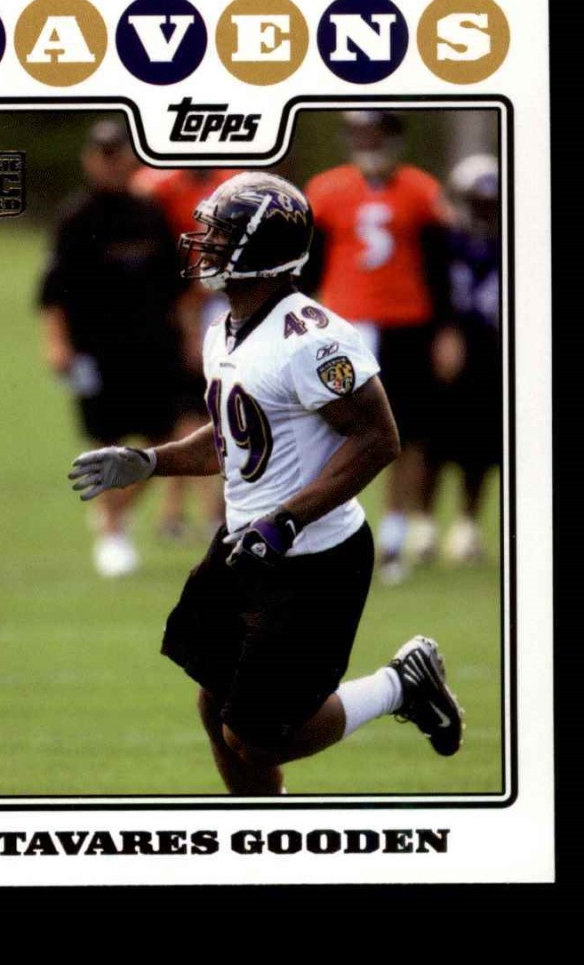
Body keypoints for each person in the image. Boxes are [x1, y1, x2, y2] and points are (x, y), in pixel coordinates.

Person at [68, 172, 464, 795]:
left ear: (262, 250)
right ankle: (263, 827)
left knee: (257, 735)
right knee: (214, 703)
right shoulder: (223, 327)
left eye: (221, 235)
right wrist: (150, 463)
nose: (204, 243)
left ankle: (401, 685)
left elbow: (377, 438)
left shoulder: (310, 339)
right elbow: (237, 438)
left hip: (313, 560)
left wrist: (287, 520)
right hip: (245, 544)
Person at [302, 111, 455, 583]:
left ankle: (392, 536)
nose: (366, 142)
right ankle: (325, 530)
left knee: (406, 434)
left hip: (406, 325)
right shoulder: (327, 190)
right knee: (323, 431)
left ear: (392, 138)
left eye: (374, 133)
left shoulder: (422, 191)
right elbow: (307, 268)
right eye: (359, 133)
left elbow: (440, 267)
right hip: (343, 326)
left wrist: (446, 330)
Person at [38, 118, 183, 577]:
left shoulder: (151, 213)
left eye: (118, 155)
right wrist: (57, 343)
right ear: (89, 160)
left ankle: (113, 513)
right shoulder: (75, 218)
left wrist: (189, 336)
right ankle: (113, 534)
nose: (111, 164)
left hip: (153, 347)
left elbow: (175, 285)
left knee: (164, 442)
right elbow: (53, 290)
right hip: (97, 350)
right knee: (106, 444)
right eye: (103, 155)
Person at [131, 167, 240, 537]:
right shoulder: (156, 186)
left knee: (203, 409)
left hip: (218, 301)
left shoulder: (232, 181)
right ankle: (193, 510)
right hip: (177, 308)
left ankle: (188, 510)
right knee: (190, 411)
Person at [429, 153, 501, 562]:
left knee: (483, 443)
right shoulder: (442, 241)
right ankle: (423, 523)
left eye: (490, 205)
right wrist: (443, 331)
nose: (484, 212)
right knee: (435, 439)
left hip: (490, 350)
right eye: (478, 204)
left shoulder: (508, 243)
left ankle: (467, 526)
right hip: (447, 345)